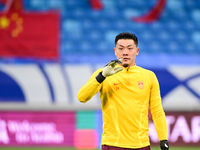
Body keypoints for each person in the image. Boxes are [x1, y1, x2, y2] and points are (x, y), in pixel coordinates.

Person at [77, 32, 169, 150]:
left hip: (141, 145)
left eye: (130, 48)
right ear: (115, 51)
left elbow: (157, 111)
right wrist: (102, 76)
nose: (125, 52)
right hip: (112, 144)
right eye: (121, 48)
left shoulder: (149, 76)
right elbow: (82, 97)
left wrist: (163, 139)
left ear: (137, 51)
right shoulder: (103, 73)